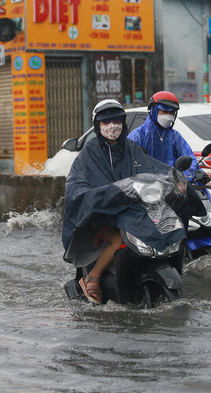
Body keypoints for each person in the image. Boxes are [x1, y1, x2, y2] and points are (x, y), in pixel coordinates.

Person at [63, 99, 197, 304]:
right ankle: (93, 278)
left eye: (117, 120)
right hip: (102, 215)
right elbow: (77, 185)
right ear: (98, 125)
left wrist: (175, 179)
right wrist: (99, 195)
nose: (112, 126)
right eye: (106, 121)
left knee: (167, 229)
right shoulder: (89, 153)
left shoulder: (131, 148)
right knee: (118, 239)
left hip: (131, 210)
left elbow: (153, 168)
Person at [128, 91, 211, 182]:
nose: (168, 116)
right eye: (165, 111)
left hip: (172, 186)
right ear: (153, 110)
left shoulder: (174, 136)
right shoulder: (137, 135)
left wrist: (199, 174)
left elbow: (188, 157)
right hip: (145, 188)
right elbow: (127, 164)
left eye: (172, 112)